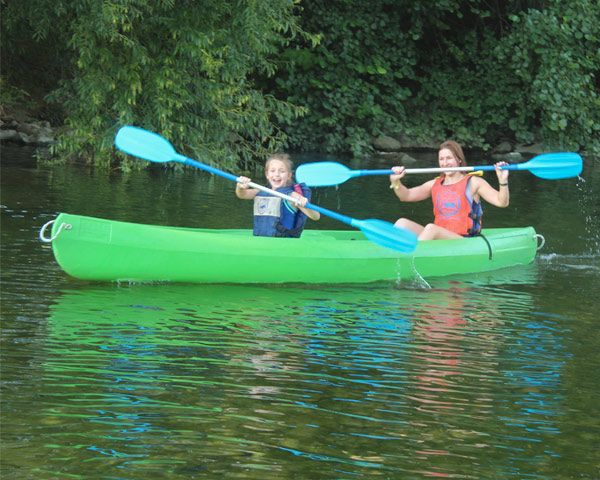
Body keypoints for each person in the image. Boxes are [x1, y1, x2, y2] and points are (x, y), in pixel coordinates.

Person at [389, 140, 510, 240]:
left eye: (449, 158)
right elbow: (406, 196)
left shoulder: (473, 182)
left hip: (464, 239)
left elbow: (502, 202)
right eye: (441, 159)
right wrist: (396, 182)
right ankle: (390, 256)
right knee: (401, 224)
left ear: (459, 160)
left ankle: (410, 260)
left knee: (431, 228)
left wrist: (502, 180)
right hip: (438, 236)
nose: (445, 163)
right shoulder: (434, 184)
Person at [235, 153, 320, 237]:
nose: (276, 174)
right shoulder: (260, 191)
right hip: (260, 240)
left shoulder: (292, 196)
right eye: (272, 171)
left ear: (289, 175)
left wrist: (305, 204)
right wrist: (240, 187)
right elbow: (242, 194)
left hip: (282, 244)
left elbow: (316, 216)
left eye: (282, 171)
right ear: (267, 175)